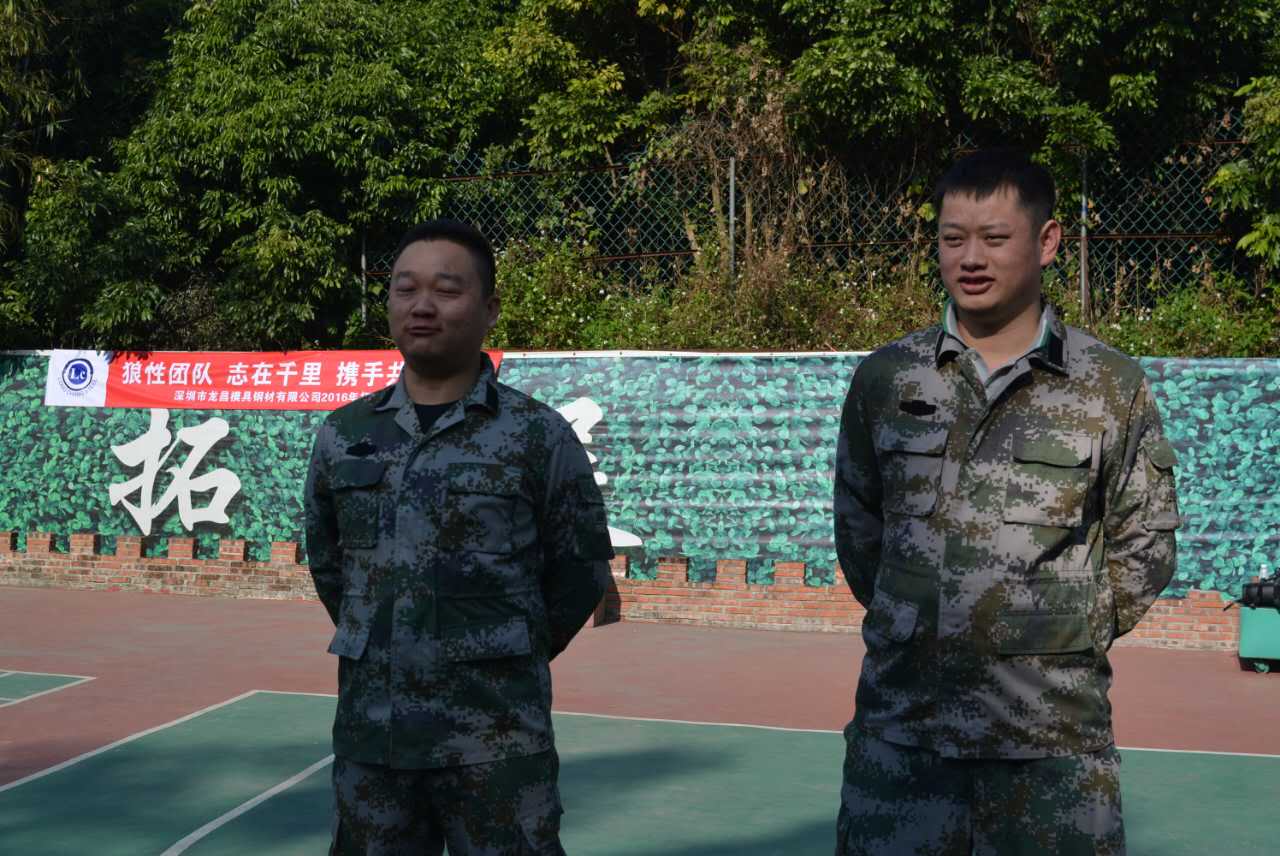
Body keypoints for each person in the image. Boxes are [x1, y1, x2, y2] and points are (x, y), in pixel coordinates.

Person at [831, 149, 1180, 855]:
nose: (970, 258)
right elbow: (860, 529)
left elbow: (1145, 543)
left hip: (1051, 748)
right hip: (904, 742)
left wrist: (1059, 634)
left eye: (994, 238)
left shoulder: (1108, 385)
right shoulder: (888, 378)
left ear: (1047, 242)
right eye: (952, 238)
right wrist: (923, 621)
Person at [305, 219, 613, 855]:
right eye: (405, 288)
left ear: (489, 309)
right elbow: (330, 563)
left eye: (446, 290)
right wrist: (392, 638)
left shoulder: (537, 435)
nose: (422, 306)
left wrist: (499, 652)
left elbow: (579, 571)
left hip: (496, 745)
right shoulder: (345, 433)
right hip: (374, 741)